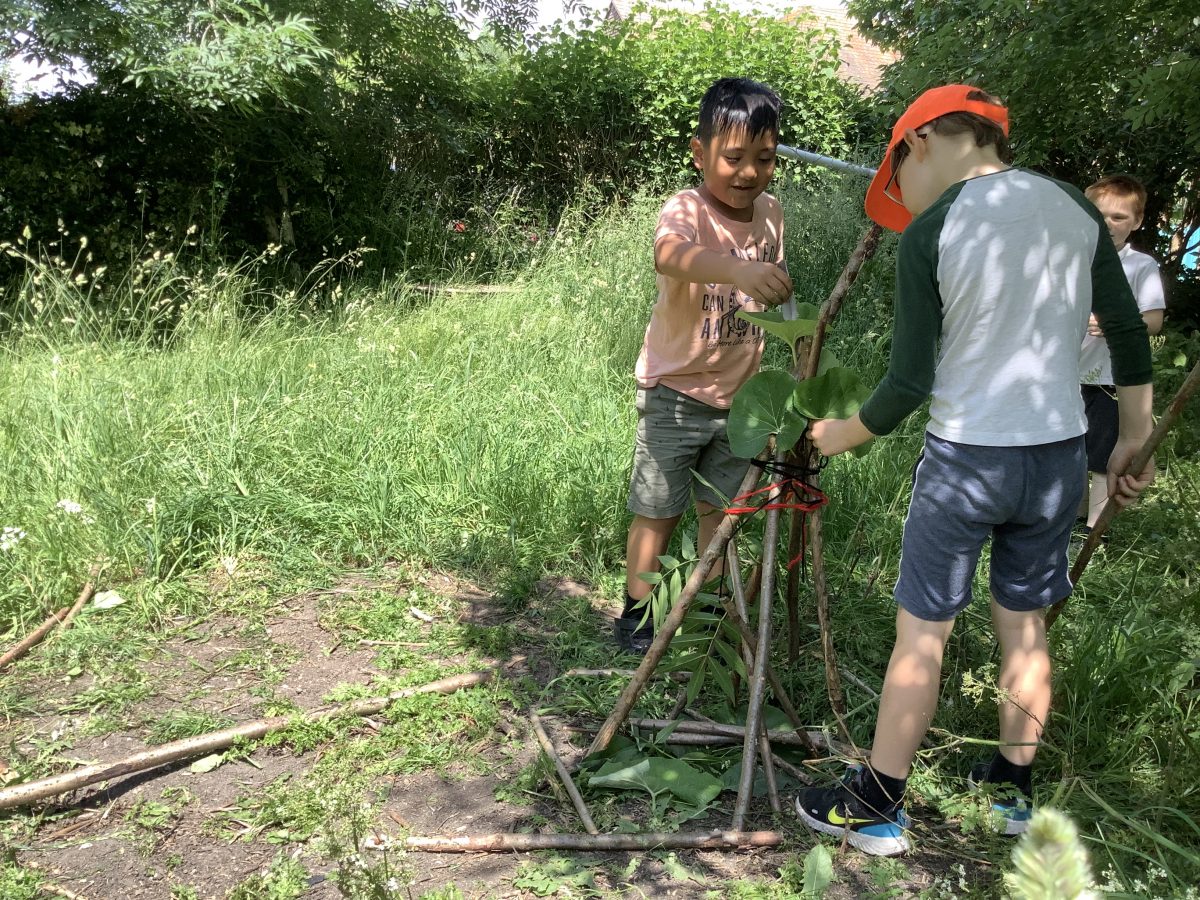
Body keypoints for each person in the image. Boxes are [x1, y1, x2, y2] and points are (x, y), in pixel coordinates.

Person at [794, 85, 1156, 856]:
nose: (903, 197)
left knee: (921, 633)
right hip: (1058, 459)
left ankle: (877, 806)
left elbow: (906, 386)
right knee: (1024, 629)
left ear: (918, 142)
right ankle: (1010, 798)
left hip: (968, 459)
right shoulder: (1073, 206)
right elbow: (1125, 329)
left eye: (897, 177)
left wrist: (837, 436)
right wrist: (1133, 437)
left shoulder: (934, 229)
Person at [615, 77, 793, 654]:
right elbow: (668, 255)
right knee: (657, 506)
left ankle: (715, 615)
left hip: (743, 399)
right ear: (701, 153)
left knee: (723, 512)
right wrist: (734, 270)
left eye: (763, 159)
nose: (748, 173)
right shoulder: (686, 208)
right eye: (734, 158)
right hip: (676, 390)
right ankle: (638, 615)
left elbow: (770, 282)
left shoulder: (771, 213)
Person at [1078, 175, 1165, 535]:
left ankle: (1096, 530)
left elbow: (1154, 320)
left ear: (1137, 221)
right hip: (1066, 374)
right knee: (1072, 451)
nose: (1108, 224)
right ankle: (1074, 517)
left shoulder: (1139, 267)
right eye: (1099, 215)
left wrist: (1116, 322)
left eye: (1119, 217)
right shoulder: (1072, 258)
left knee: (1102, 455)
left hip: (1109, 380)